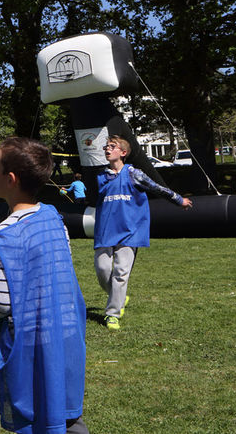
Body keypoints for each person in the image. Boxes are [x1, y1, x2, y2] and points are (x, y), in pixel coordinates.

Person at [0, 137, 88, 434]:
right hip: (66, 333)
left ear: (10, 179)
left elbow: (0, 302)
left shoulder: (6, 234)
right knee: (65, 411)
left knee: (36, 412)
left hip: (30, 343)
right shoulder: (54, 217)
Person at [94, 135, 192, 330]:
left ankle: (112, 314)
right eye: (106, 146)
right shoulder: (101, 177)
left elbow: (156, 187)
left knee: (121, 273)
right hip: (105, 231)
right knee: (103, 270)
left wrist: (178, 200)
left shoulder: (133, 173)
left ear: (123, 153)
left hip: (130, 231)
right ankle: (120, 296)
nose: (107, 149)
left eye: (112, 146)